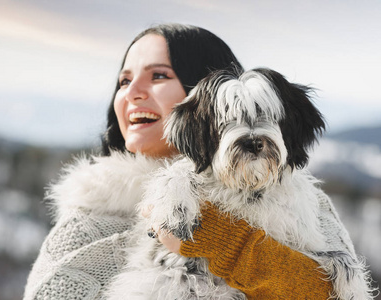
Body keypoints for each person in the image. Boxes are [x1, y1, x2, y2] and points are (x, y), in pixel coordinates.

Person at [23, 23, 375, 299]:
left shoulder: (307, 206)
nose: (132, 93)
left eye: (159, 75)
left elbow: (333, 293)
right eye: (124, 80)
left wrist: (228, 244)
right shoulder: (89, 217)